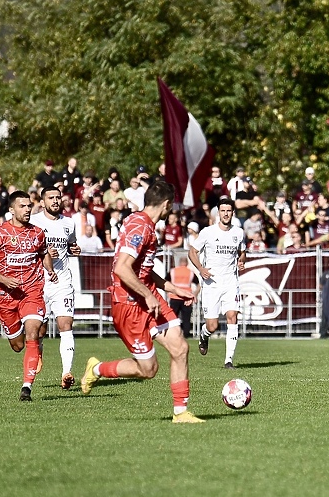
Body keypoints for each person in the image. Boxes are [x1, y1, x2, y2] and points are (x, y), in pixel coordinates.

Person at [79, 181, 202, 423]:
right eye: (171, 207)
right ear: (166, 205)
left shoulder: (145, 224)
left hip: (148, 297)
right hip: (129, 304)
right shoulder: (140, 226)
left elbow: (143, 270)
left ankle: (181, 413)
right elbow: (122, 268)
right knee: (148, 370)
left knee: (180, 348)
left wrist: (173, 288)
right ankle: (96, 369)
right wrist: (146, 294)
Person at [0, 191, 58, 402]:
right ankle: (33, 341)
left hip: (31, 290)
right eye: (22, 206)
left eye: (29, 206)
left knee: (32, 334)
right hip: (5, 295)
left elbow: (44, 253)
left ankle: (26, 388)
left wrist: (49, 269)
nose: (27, 209)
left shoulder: (38, 233)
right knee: (17, 345)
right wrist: (3, 279)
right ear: (12, 209)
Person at [30, 187, 81, 389]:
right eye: (51, 198)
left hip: (62, 282)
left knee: (65, 325)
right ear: (42, 202)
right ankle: (38, 350)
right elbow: (28, 248)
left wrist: (73, 249)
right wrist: (42, 251)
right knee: (39, 330)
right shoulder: (34, 221)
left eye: (58, 197)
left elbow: (71, 245)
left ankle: (66, 372)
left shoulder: (69, 223)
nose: (55, 201)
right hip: (39, 282)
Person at [188, 197, 247, 369]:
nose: (226, 214)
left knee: (232, 316)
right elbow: (193, 251)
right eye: (223, 211)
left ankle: (228, 360)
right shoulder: (208, 232)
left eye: (229, 211)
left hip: (230, 282)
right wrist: (200, 268)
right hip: (211, 283)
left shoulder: (238, 233)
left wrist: (241, 261)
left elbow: (242, 252)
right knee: (212, 326)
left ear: (232, 213)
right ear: (218, 213)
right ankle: (204, 336)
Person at [165, 257, 200, 338]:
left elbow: (165, 281)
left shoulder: (173, 271)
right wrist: (195, 294)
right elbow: (199, 284)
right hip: (186, 298)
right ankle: (186, 335)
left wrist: (168, 292)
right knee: (186, 318)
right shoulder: (190, 272)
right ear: (187, 263)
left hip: (174, 297)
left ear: (179, 262)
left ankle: (173, 334)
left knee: (173, 317)